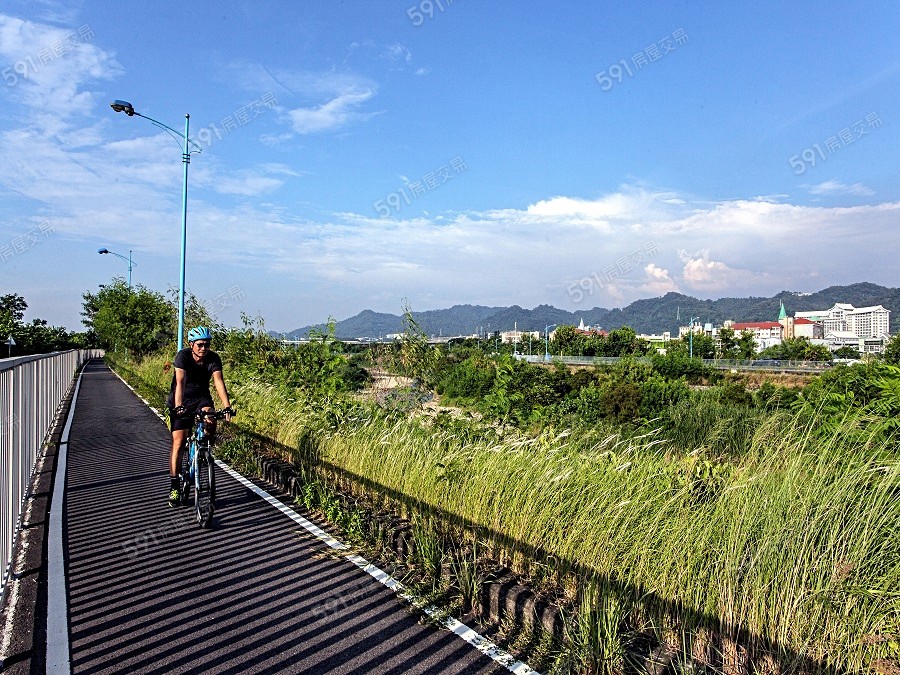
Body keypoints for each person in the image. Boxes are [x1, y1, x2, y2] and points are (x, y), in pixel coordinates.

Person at [166, 326, 233, 506]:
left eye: (207, 345)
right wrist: (179, 406)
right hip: (182, 399)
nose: (204, 348)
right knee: (178, 442)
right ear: (191, 345)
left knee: (211, 419)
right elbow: (180, 382)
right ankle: (174, 487)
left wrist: (227, 406)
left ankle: (204, 450)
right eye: (200, 345)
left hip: (202, 398)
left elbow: (219, 381)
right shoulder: (183, 357)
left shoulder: (213, 358)